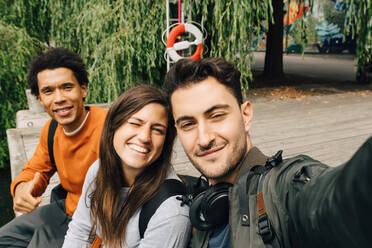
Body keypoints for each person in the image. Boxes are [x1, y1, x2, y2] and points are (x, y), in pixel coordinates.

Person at [163, 57, 372, 248]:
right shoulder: (203, 210)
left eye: (217, 115)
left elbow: (337, 199)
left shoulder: (283, 189)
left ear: (245, 115)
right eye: (188, 124)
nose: (204, 138)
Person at [0, 47, 107, 248]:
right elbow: (34, 170)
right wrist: (23, 189)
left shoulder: (110, 130)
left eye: (67, 87)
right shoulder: (51, 130)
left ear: (83, 89)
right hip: (64, 209)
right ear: (40, 99)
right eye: (48, 91)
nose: (58, 98)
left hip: (94, 222)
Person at [63, 85, 191, 248]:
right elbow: (80, 232)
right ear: (114, 126)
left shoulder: (171, 212)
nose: (145, 137)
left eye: (157, 130)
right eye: (135, 123)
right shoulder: (99, 170)